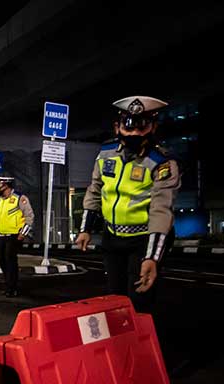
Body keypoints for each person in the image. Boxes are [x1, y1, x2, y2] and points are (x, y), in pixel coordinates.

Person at [75, 96, 180, 313]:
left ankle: (141, 344)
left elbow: (162, 210)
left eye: (143, 127)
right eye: (128, 126)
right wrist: (85, 229)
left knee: (139, 300)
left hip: (143, 239)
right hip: (112, 237)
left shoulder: (162, 162)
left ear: (153, 127)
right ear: (118, 127)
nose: (134, 133)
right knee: (115, 298)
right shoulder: (105, 153)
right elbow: (95, 189)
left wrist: (152, 257)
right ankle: (119, 344)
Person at [0, 174, 34, 297]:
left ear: (6, 184)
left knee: (10, 260)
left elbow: (29, 216)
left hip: (13, 236)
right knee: (2, 261)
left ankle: (12, 288)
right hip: (0, 235)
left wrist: (23, 233)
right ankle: (9, 283)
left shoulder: (20, 198)